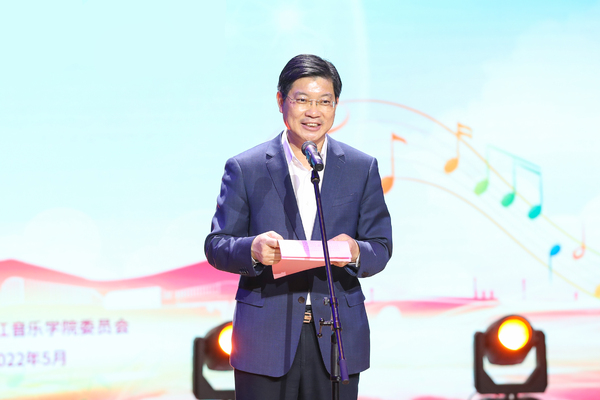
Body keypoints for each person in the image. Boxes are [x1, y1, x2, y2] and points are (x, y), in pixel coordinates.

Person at [205, 54, 393, 400]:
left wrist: (355, 251)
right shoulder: (246, 167)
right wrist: (252, 249)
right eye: (302, 100)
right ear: (281, 101)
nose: (313, 112)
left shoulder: (360, 167)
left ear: (336, 105)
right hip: (265, 338)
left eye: (325, 101)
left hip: (336, 335)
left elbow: (380, 246)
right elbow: (216, 244)